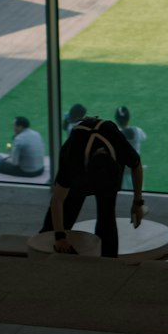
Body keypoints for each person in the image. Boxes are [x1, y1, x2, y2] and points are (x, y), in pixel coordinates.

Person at [41, 114, 144, 259]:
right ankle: (43, 258)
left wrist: (138, 202)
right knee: (65, 212)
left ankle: (108, 264)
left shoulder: (117, 144)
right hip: (80, 166)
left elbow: (136, 166)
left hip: (104, 165)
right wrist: (59, 236)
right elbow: (58, 199)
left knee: (106, 215)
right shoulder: (72, 158)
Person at [115, 105, 146, 189]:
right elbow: (143, 137)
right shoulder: (138, 131)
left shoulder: (114, 134)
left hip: (120, 175)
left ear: (116, 119)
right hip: (135, 173)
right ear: (129, 118)